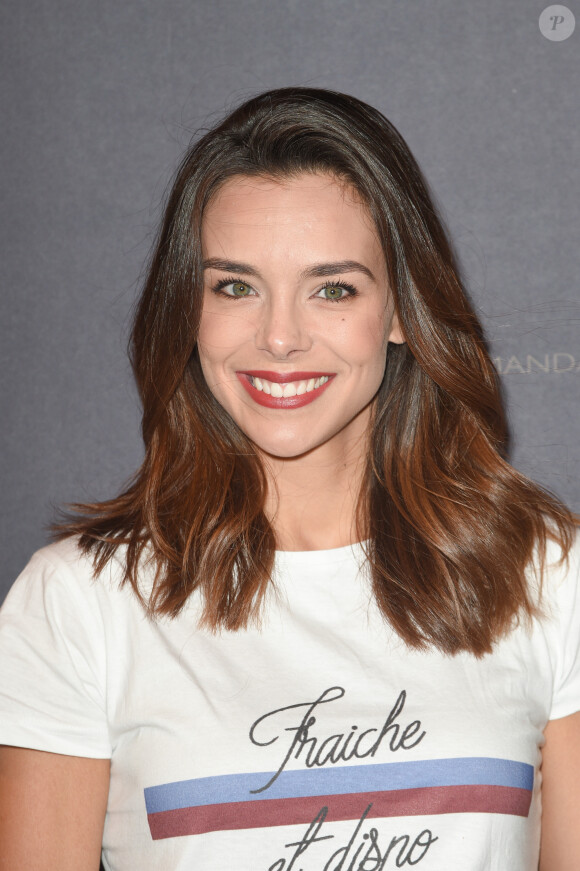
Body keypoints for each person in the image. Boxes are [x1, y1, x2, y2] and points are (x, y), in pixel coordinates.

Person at [0, 87, 578, 871]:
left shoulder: (547, 575)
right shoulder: (77, 603)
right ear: (189, 310)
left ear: (401, 311)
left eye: (333, 287)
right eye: (234, 286)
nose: (278, 336)